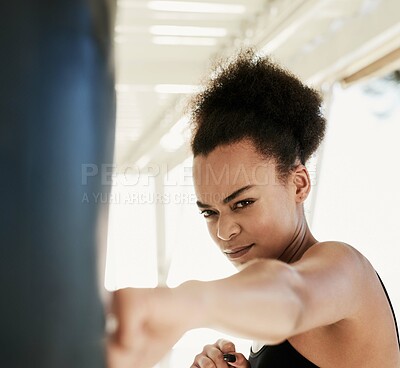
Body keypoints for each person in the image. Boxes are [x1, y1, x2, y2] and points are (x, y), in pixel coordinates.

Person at [106, 49, 400, 368]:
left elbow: (293, 297)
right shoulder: (262, 321)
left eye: (243, 202)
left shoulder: (344, 269)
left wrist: (180, 304)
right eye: (209, 212)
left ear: (299, 184)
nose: (223, 230)